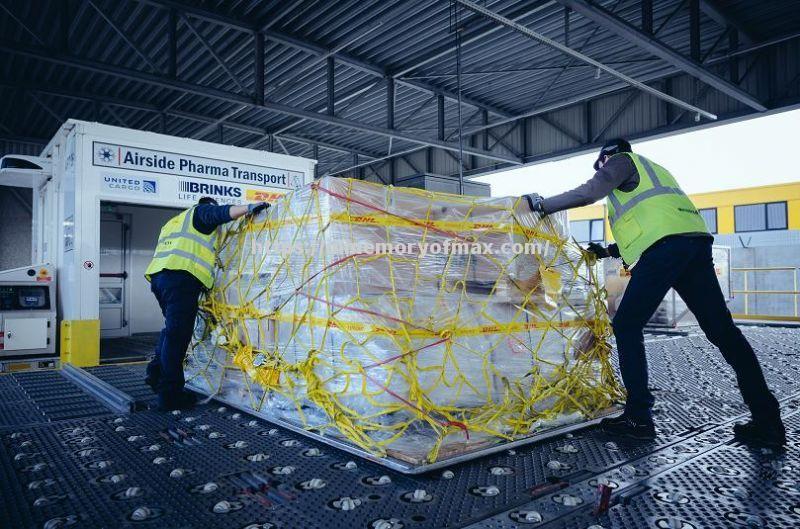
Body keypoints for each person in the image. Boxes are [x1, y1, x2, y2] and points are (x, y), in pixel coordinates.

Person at [524, 138, 785, 447]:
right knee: (724, 332)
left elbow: (589, 193)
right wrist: (607, 251)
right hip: (693, 245)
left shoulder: (622, 161)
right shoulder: (655, 172)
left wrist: (541, 205)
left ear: (608, 155)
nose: (600, 169)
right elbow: (654, 223)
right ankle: (768, 420)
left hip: (665, 250)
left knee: (626, 325)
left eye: (599, 163)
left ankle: (638, 417)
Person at [144, 197, 269, 411]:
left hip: (160, 279)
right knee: (178, 337)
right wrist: (248, 208)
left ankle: (155, 372)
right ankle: (170, 394)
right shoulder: (200, 213)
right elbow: (220, 214)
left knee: (171, 331)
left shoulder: (173, 222)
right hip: (180, 280)